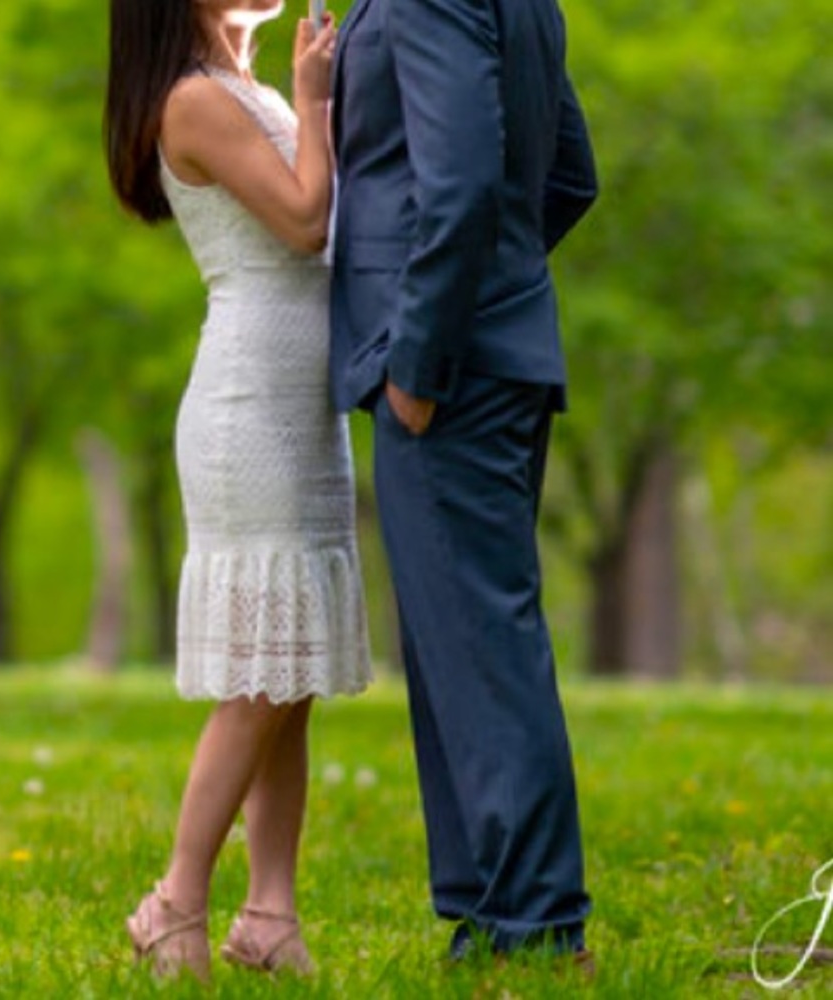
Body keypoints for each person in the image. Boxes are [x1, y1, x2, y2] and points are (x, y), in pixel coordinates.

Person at [104, 0, 371, 982]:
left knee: (290, 678)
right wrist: (317, 98)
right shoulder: (190, 101)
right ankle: (175, 899)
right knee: (260, 676)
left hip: (304, 406)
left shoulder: (245, 90)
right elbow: (305, 223)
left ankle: (271, 912)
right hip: (249, 403)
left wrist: (302, 99)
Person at [330, 0, 597, 966]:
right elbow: (570, 173)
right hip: (499, 349)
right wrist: (510, 289)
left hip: (444, 370)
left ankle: (532, 926)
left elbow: (466, 180)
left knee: (480, 644)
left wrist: (421, 358)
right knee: (458, 641)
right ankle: (488, 913)